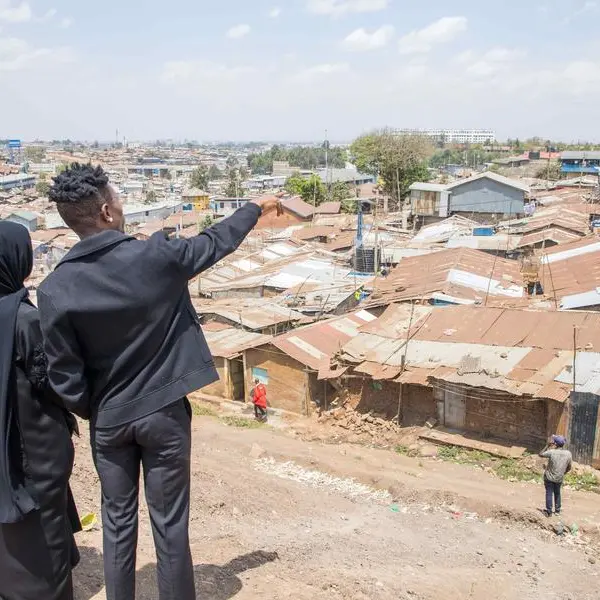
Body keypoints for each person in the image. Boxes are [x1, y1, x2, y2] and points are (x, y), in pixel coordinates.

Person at [37, 163, 282, 600]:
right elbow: (214, 243)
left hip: (110, 422)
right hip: (164, 415)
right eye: (119, 198)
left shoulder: (56, 288)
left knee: (116, 522)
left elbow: (63, 373)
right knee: (170, 525)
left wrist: (96, 408)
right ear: (108, 212)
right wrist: (252, 208)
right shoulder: (155, 256)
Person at [0, 221, 80, 600]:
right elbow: (56, 384)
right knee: (43, 534)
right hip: (34, 451)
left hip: (7, 457)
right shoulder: (24, 320)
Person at [539, 434, 572, 517]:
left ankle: (549, 512)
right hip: (559, 478)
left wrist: (547, 445)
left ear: (555, 444)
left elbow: (540, 454)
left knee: (549, 493)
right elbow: (569, 467)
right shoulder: (568, 454)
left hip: (549, 477)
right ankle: (557, 511)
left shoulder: (552, 452)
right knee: (557, 493)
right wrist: (563, 473)